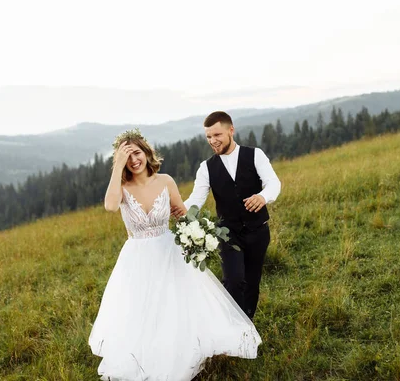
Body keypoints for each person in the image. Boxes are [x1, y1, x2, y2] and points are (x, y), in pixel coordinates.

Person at [88, 129, 261, 381]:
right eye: (127, 158)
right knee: (142, 308)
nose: (133, 160)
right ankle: (147, 355)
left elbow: (181, 212)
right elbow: (110, 206)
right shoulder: (122, 187)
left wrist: (199, 232)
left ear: (146, 153)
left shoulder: (166, 181)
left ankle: (180, 347)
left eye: (136, 153)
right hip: (137, 256)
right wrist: (116, 169)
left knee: (175, 302)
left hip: (168, 250)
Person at [177, 111, 281, 320]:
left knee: (252, 282)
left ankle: (246, 326)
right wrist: (177, 209)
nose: (213, 141)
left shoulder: (254, 155)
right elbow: (196, 199)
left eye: (217, 135)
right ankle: (232, 326)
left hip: (258, 230)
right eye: (208, 137)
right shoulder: (206, 168)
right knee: (233, 280)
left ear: (230, 130)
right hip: (227, 234)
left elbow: (273, 182)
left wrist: (262, 197)